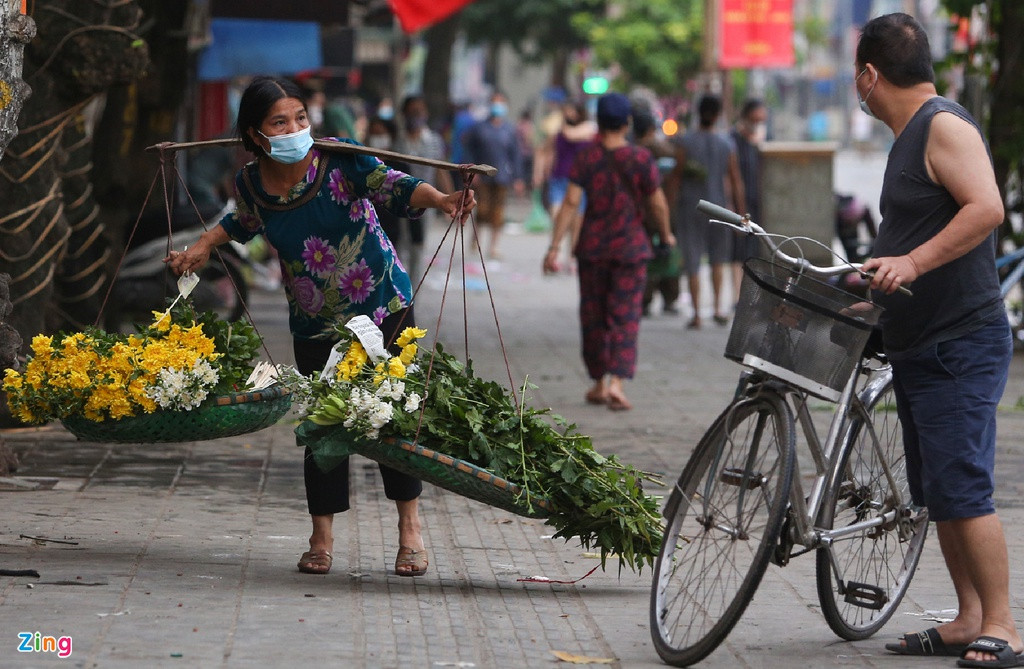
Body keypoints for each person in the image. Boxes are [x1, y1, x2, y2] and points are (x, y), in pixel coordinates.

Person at [165, 76, 476, 578]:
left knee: (392, 414)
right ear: (255, 135)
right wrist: (203, 245)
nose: (295, 129)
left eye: (301, 118)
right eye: (280, 122)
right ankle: (321, 537)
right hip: (315, 321)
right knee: (325, 425)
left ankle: (410, 530)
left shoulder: (339, 158)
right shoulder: (250, 182)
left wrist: (439, 199)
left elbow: (393, 185)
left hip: (381, 303)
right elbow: (241, 221)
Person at [854, 14, 1022, 668]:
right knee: (940, 492)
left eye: (856, 75)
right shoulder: (908, 138)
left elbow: (986, 207)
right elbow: (915, 229)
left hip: (960, 341)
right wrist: (868, 276)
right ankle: (968, 617)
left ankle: (1005, 626)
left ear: (870, 75)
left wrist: (914, 264)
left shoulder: (941, 125)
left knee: (964, 485)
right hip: (920, 342)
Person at [542, 93, 674, 411]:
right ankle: (617, 383)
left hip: (593, 251)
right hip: (630, 249)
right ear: (627, 122)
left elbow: (571, 202)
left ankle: (599, 383)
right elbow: (656, 201)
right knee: (626, 316)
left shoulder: (587, 157)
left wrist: (555, 246)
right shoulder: (641, 159)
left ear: (598, 123)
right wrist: (666, 234)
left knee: (594, 316)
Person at [666, 94, 745, 329]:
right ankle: (719, 308)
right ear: (718, 114)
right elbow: (735, 179)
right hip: (719, 208)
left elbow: (676, 177)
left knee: (692, 258)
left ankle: (697, 313)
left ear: (698, 113)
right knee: (718, 258)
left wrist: (669, 209)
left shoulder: (685, 143)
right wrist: (741, 213)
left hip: (691, 207)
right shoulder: (726, 144)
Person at [395, 95, 453, 284]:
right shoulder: (397, 141)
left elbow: (441, 170)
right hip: (397, 202)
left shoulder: (434, 140)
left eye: (420, 111)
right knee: (398, 247)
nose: (417, 115)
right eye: (412, 111)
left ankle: (412, 299)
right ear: (404, 114)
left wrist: (450, 198)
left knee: (417, 249)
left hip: (425, 203)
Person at [533, 100, 597, 266]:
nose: (568, 114)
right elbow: (544, 151)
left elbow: (571, 135)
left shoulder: (588, 127)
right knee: (557, 215)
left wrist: (557, 125)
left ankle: (572, 256)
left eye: (570, 110)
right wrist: (538, 173)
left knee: (577, 222)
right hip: (559, 179)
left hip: (581, 181)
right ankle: (555, 251)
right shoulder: (558, 132)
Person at [462, 91, 524, 259]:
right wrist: (472, 171)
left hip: (502, 176)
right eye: (495, 102)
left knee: (498, 212)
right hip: (482, 176)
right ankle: (476, 239)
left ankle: (493, 246)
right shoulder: (479, 128)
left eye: (501, 102)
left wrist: (518, 178)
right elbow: (468, 150)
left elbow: (515, 155)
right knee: (481, 209)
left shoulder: (509, 130)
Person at [633, 109, 681, 316]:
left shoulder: (631, 150)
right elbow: (675, 155)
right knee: (665, 252)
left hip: (639, 211)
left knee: (646, 256)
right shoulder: (653, 147)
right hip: (660, 207)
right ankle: (669, 298)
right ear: (651, 129)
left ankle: (644, 299)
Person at [729, 99, 767, 288]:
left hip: (757, 201)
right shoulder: (734, 139)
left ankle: (750, 290)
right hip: (738, 202)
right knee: (738, 250)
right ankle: (738, 292)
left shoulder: (760, 139)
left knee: (755, 249)